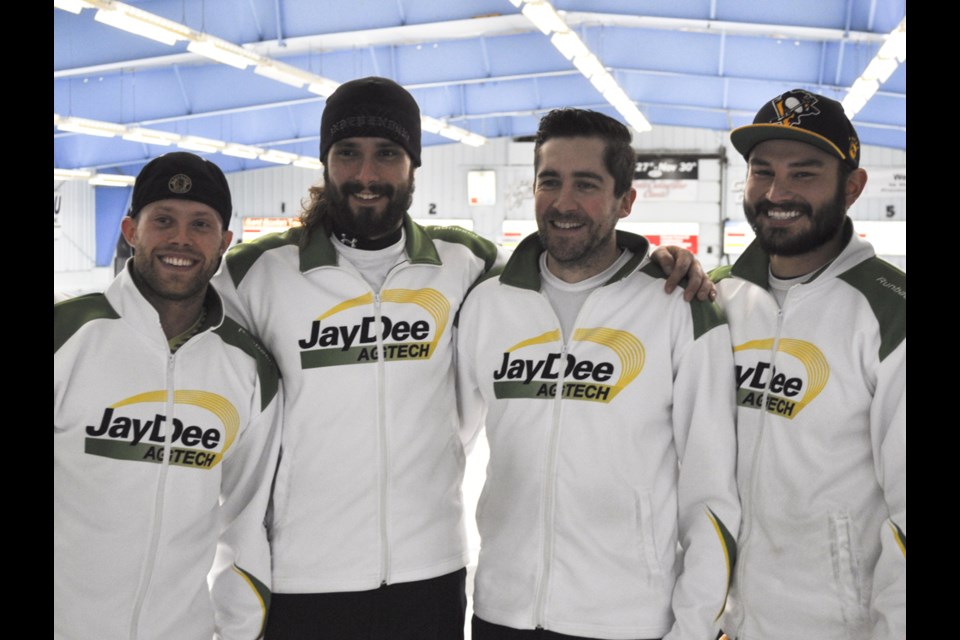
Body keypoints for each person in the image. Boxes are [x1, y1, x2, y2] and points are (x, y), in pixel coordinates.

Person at [213, 77, 715, 639]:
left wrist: (656, 258)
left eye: (388, 154)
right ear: (324, 161)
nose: (366, 174)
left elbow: (573, 262)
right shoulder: (254, 274)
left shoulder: (467, 264)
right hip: (304, 577)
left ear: (414, 166)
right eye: (347, 154)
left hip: (431, 575)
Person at [456, 108, 740, 640]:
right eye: (550, 181)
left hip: (627, 621)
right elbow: (443, 445)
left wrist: (696, 625)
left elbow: (711, 488)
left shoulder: (677, 308)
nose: (563, 203)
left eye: (586, 184)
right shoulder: (488, 307)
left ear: (624, 200)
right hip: (501, 612)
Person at [54, 152, 282, 639]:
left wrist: (240, 632)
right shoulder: (67, 337)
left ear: (224, 243)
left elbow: (247, 524)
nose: (181, 238)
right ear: (130, 230)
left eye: (200, 224)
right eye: (163, 220)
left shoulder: (249, 369)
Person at [714, 89, 906, 639]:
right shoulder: (715, 301)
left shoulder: (890, 313)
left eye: (804, 174)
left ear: (853, 186)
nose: (777, 192)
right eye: (762, 171)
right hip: (725, 623)